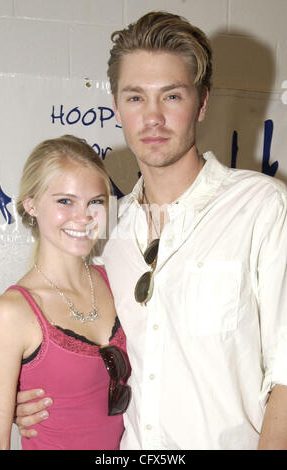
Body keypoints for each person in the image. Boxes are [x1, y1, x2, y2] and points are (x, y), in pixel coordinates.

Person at [15, 11, 287, 450]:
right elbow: (65, 330)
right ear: (117, 105)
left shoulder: (262, 207)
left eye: (172, 96)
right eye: (136, 97)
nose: (153, 118)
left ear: (202, 103)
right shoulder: (104, 224)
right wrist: (17, 394)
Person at [0, 135, 131, 450]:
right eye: (65, 201)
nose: (83, 217)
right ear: (31, 204)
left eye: (95, 201)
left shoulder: (117, 280)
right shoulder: (11, 312)